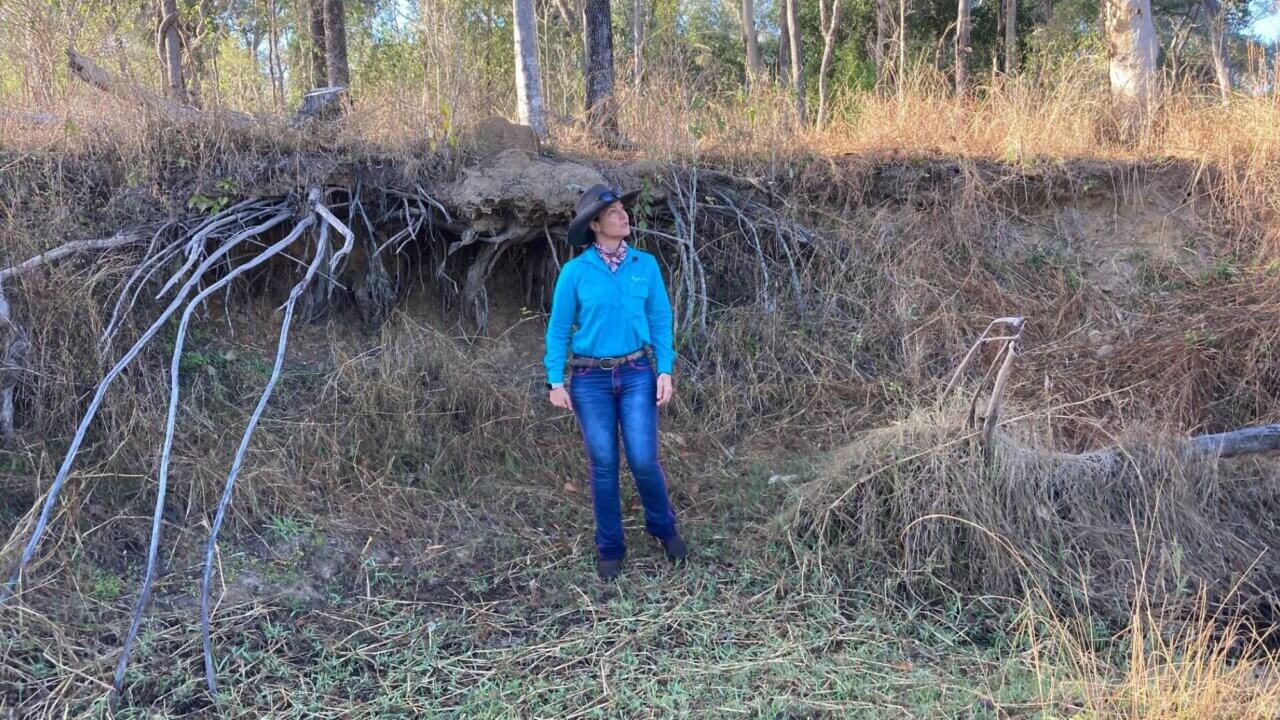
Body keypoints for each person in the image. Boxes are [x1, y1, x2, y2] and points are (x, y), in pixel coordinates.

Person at [544, 184, 688, 580]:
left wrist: (665, 369)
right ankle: (610, 546)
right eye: (613, 212)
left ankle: (663, 528)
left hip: (637, 372)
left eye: (623, 209)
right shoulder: (575, 272)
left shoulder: (645, 265)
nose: (624, 216)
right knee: (604, 464)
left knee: (643, 459)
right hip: (589, 379)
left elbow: (660, 319)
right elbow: (558, 328)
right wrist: (554, 380)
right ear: (594, 224)